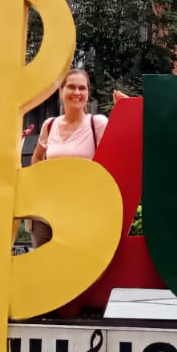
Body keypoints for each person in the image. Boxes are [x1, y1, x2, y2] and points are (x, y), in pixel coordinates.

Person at [27, 69, 110, 248]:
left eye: (82, 88)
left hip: (81, 210)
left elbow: (115, 159)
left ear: (88, 93)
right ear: (61, 91)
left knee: (76, 270)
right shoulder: (49, 125)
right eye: (71, 87)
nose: (77, 93)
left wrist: (125, 109)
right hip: (47, 209)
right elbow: (37, 158)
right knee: (43, 267)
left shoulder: (97, 124)